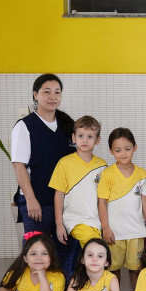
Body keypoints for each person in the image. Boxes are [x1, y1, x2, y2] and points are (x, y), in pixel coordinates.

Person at [11, 74, 78, 261]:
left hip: (63, 202)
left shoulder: (67, 125)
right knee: (37, 254)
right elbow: (18, 165)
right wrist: (31, 200)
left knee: (65, 255)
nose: (53, 97)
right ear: (35, 95)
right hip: (37, 201)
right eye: (47, 92)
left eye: (57, 92)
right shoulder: (25, 126)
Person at [49, 115, 107, 280]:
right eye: (81, 135)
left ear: (97, 140)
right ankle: (95, 286)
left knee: (93, 254)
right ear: (73, 138)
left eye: (90, 136)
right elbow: (58, 195)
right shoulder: (64, 163)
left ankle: (85, 284)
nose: (85, 140)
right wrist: (59, 224)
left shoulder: (102, 165)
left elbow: (104, 199)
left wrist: (106, 224)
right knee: (95, 249)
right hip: (74, 219)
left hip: (95, 221)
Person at [98, 128, 146, 291]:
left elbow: (145, 201)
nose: (123, 153)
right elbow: (102, 203)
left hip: (136, 231)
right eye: (118, 150)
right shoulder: (108, 173)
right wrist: (106, 228)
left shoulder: (142, 174)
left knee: (136, 269)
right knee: (113, 269)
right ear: (111, 151)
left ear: (134, 148)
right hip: (114, 233)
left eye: (127, 149)